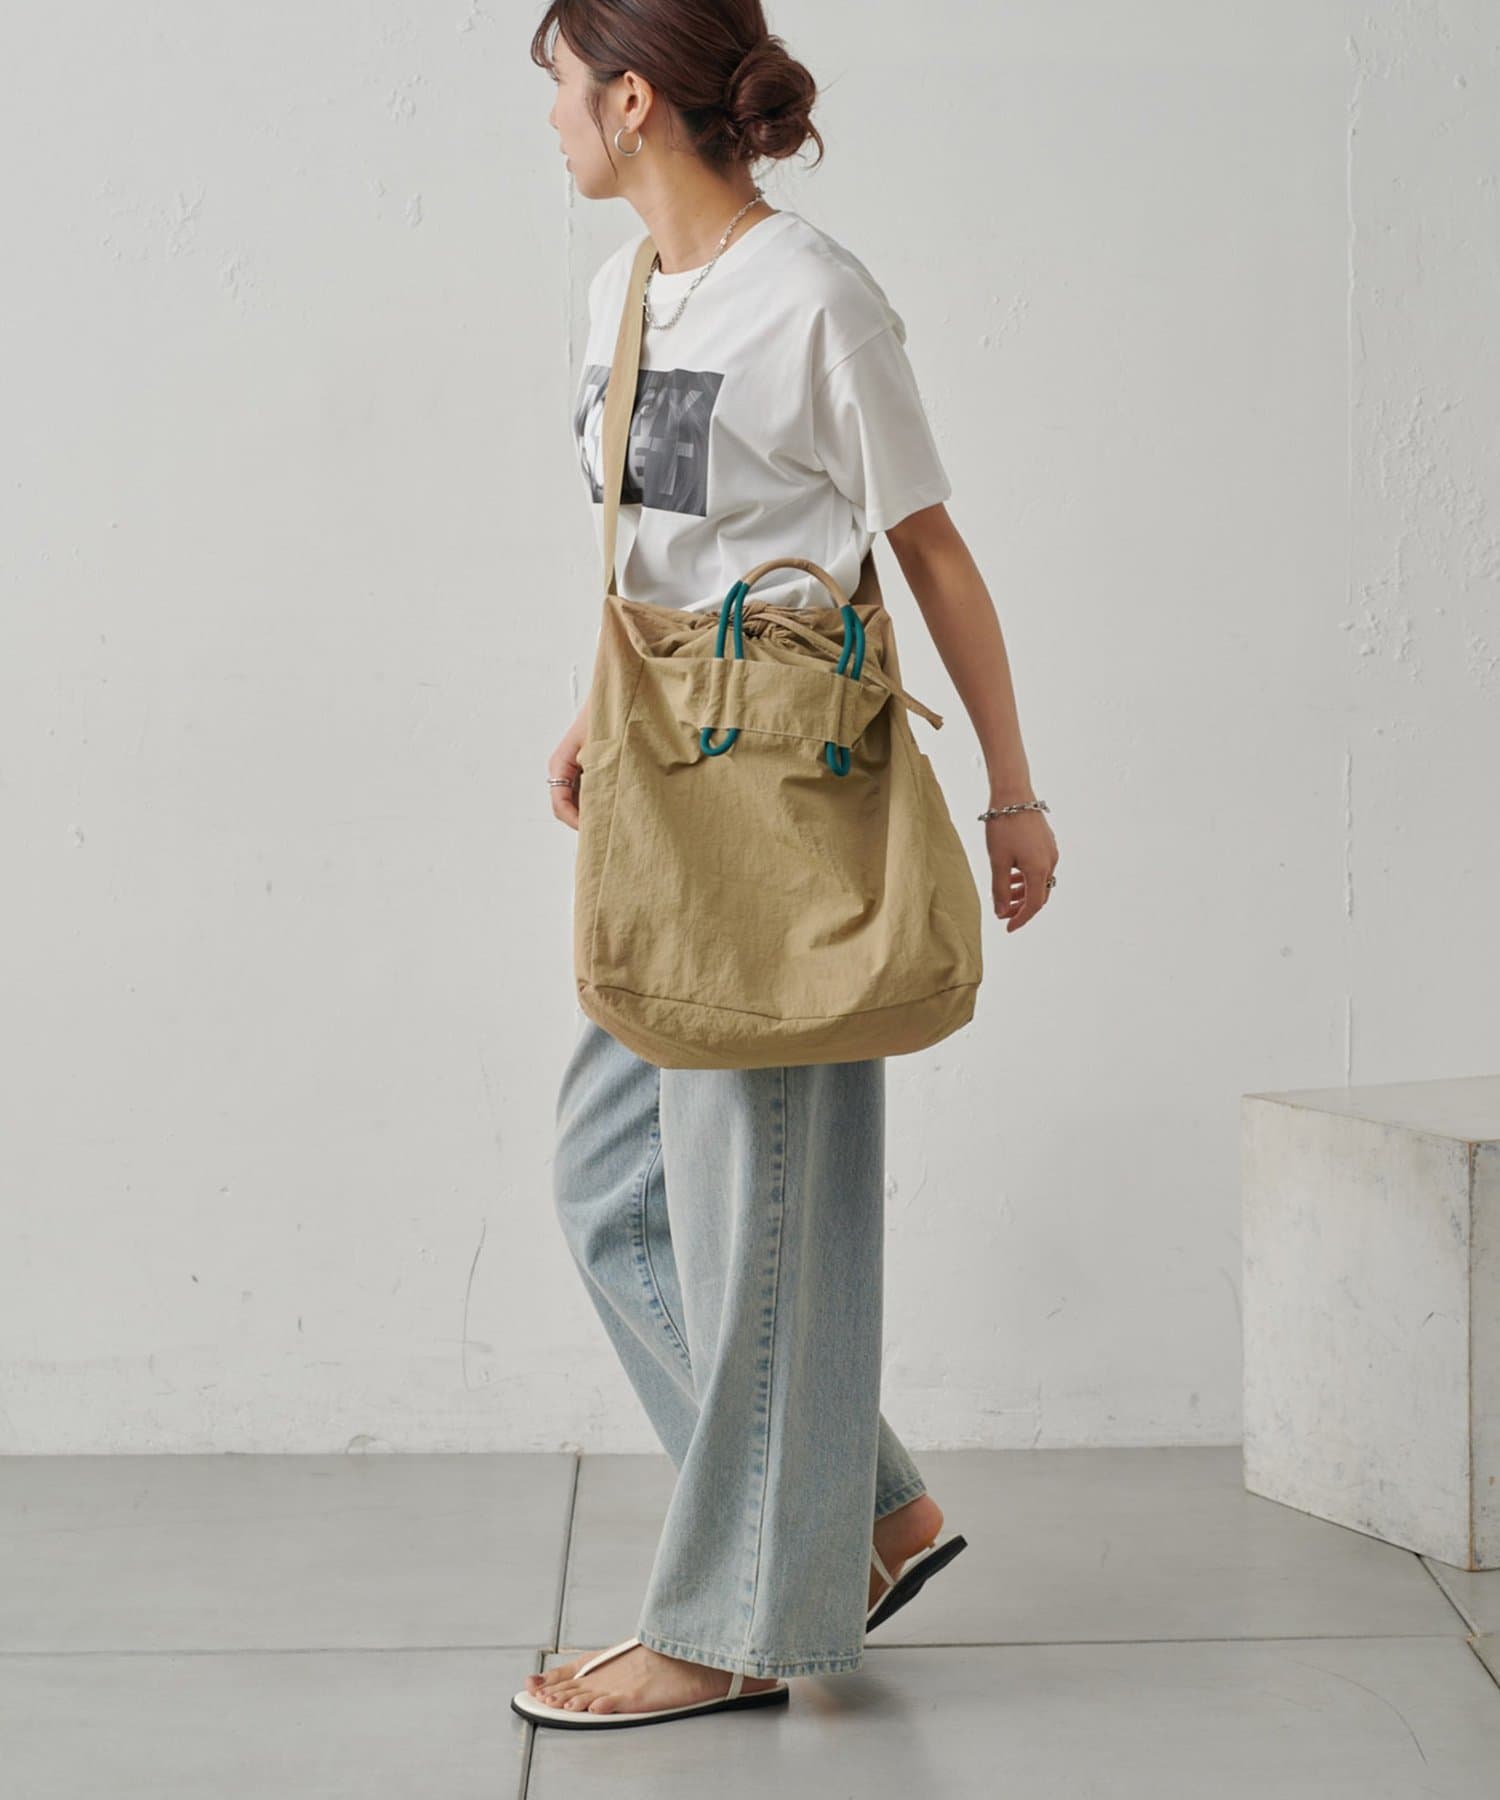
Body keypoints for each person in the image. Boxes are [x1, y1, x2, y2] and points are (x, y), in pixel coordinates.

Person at [517, 0, 1059, 1731]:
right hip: (661, 772)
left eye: (557, 88)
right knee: (614, 1182)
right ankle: (864, 1516)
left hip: (774, 795)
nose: (546, 120)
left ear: (631, 97)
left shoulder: (813, 294)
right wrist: (595, 709)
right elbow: (660, 543)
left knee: (749, 1214)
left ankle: (735, 1624)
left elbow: (930, 548)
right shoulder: (625, 292)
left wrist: (1015, 795)